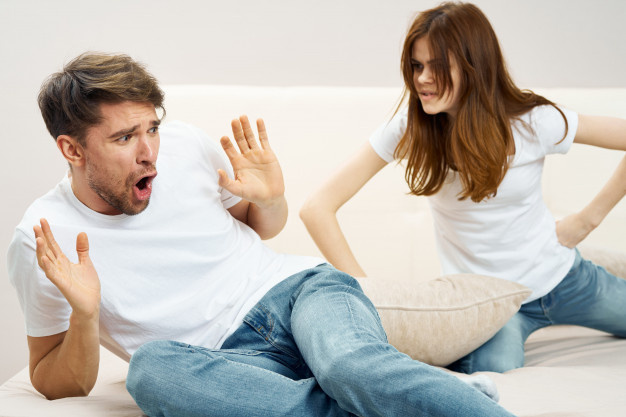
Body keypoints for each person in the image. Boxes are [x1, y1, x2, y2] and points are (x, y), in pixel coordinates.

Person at [7, 52, 515, 416]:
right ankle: (426, 398)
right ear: (72, 149)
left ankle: (417, 398)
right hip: (228, 364)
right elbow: (54, 381)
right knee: (149, 372)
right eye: (124, 137)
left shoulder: (186, 145)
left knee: (348, 365)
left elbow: (262, 226)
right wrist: (85, 315)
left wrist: (271, 201)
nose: (150, 153)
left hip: (298, 295)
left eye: (152, 128)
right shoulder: (41, 238)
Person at [300, 1, 626, 375]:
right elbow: (316, 208)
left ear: (475, 66)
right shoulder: (409, 129)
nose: (423, 79)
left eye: (437, 67)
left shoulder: (533, 122)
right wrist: (369, 293)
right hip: (492, 304)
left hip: (566, 278)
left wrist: (587, 219)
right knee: (494, 372)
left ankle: (599, 260)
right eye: (417, 66)